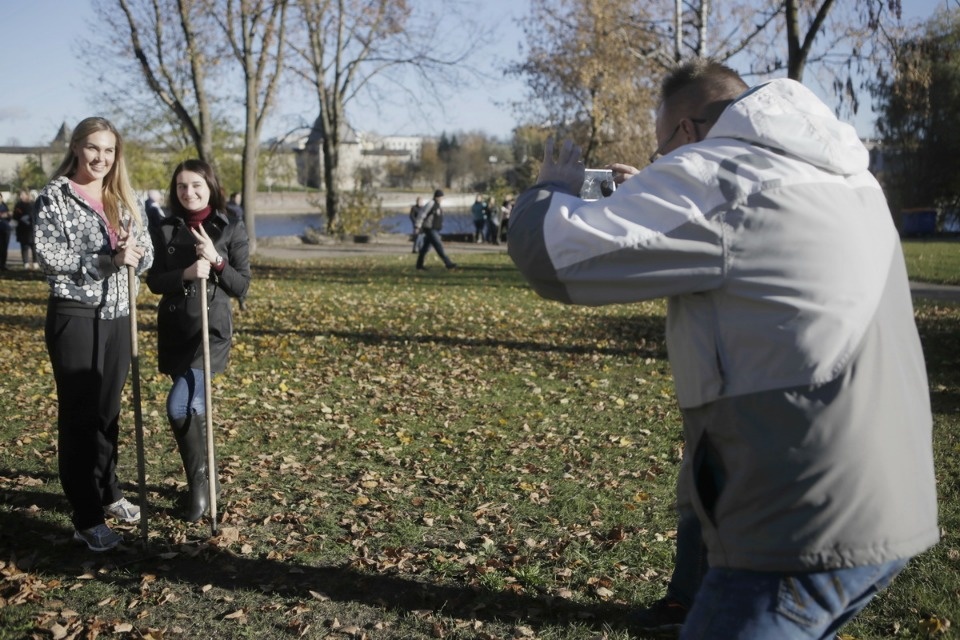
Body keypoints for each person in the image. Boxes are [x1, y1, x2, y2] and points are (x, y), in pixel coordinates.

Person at [507, 59, 938, 639]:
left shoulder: (717, 175)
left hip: (795, 519)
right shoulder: (847, 175)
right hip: (888, 502)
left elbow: (552, 258)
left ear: (686, 131)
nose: (667, 163)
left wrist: (549, 189)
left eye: (664, 152)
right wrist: (652, 194)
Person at [33, 116, 153, 552]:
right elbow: (51, 256)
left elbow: (148, 254)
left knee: (107, 411)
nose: (101, 158)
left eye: (109, 150)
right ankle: (86, 515)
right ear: (77, 147)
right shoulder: (56, 196)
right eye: (93, 148)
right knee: (81, 415)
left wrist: (134, 255)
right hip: (75, 314)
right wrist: (107, 259)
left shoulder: (123, 196)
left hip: (119, 313)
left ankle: (109, 490)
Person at [147, 159, 251, 522]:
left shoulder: (230, 226)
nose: (188, 193)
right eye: (181, 186)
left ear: (210, 187)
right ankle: (208, 484)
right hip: (176, 331)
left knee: (179, 407)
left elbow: (242, 286)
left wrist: (217, 261)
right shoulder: (163, 228)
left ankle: (200, 489)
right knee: (192, 406)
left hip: (211, 332)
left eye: (196, 186)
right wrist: (189, 272)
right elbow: (155, 281)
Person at [413, 189, 457, 271]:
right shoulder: (431, 204)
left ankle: (419, 265)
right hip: (430, 228)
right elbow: (422, 214)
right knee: (438, 246)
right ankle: (448, 263)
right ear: (437, 197)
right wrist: (417, 226)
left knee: (425, 248)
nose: (442, 199)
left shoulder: (438, 205)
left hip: (434, 229)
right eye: (441, 197)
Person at [13, 189, 38, 269]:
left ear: (27, 195)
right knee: (24, 247)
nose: (21, 197)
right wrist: (21, 218)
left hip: (32, 230)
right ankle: (26, 263)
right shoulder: (18, 205)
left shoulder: (34, 204)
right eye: (20, 195)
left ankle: (35, 262)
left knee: (34, 247)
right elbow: (15, 216)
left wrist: (30, 218)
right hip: (22, 230)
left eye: (22, 195)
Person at [0, 194, 10, 270]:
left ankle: (3, 264)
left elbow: (9, 217)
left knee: (4, 248)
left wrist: (7, 215)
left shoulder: (5, 206)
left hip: (5, 229)